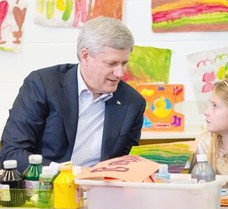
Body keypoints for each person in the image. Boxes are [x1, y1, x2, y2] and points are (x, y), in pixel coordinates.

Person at [0, 16, 146, 173]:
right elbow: (11, 155)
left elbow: (124, 166)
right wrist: (70, 173)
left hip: (99, 192)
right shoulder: (42, 85)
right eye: (111, 64)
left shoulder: (132, 103)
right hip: (46, 189)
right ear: (85, 56)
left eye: (124, 63)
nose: (120, 73)